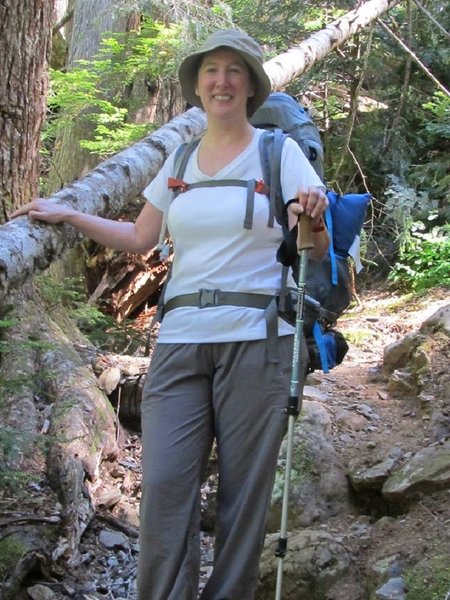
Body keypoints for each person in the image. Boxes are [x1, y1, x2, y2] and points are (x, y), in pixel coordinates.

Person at [11, 29, 329, 600]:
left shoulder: (280, 154)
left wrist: (312, 216)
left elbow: (312, 244)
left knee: (242, 493)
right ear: (199, 84)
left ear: (251, 85)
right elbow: (139, 235)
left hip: (259, 340)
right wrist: (68, 215)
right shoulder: (180, 158)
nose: (222, 80)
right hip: (181, 340)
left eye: (235, 70)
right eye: (211, 70)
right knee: (163, 489)